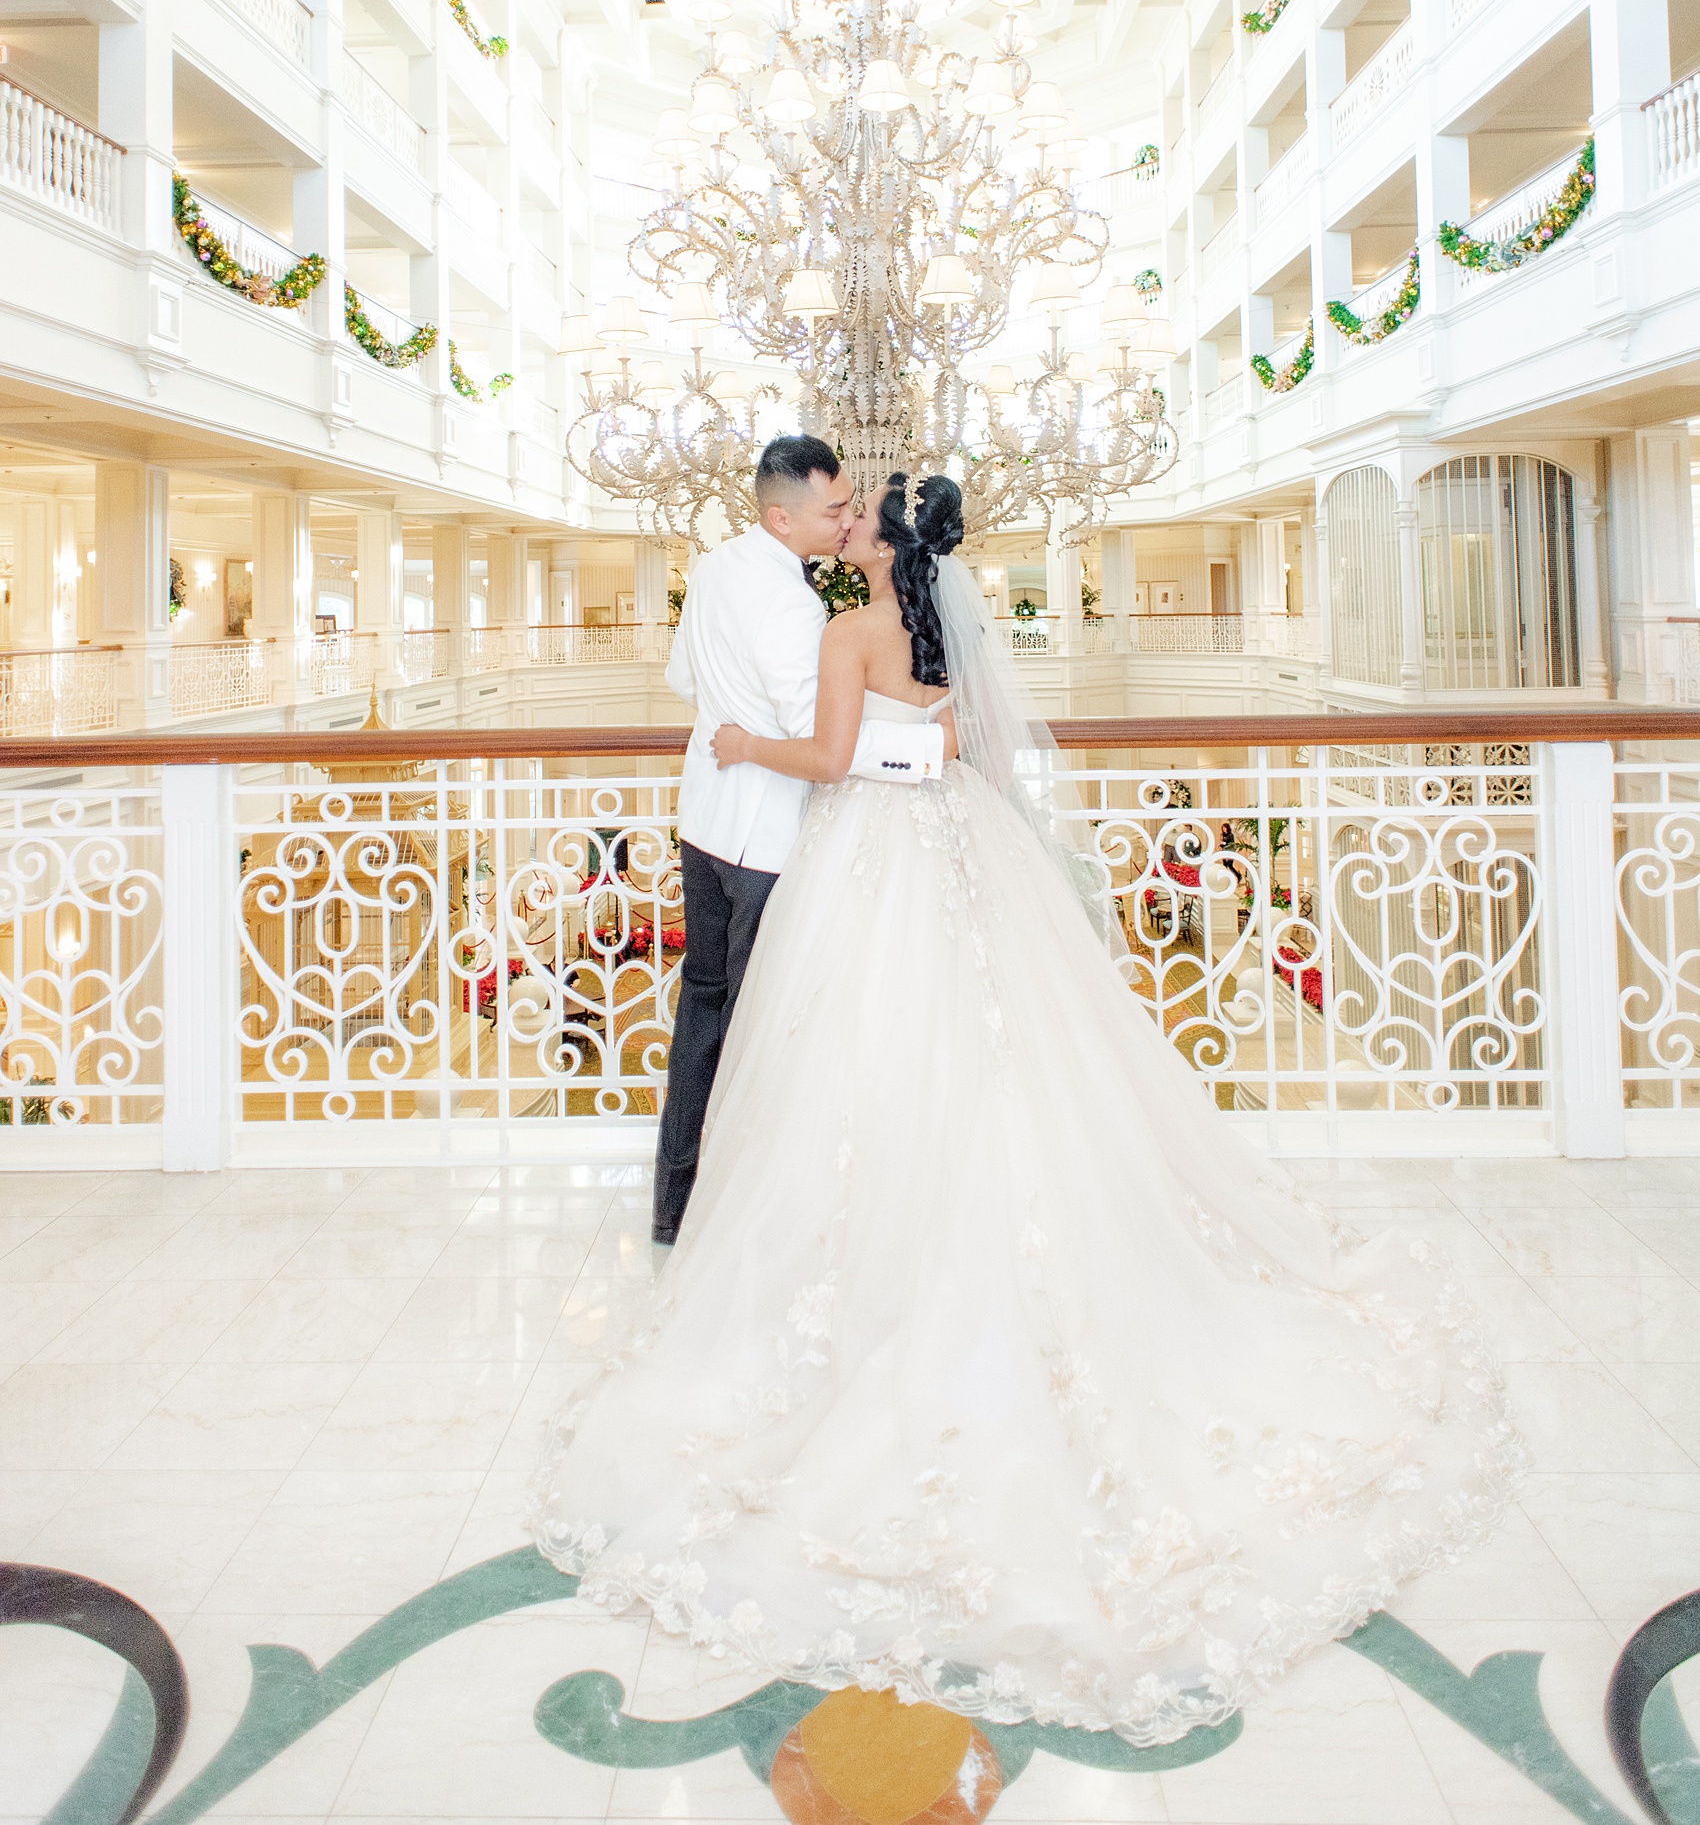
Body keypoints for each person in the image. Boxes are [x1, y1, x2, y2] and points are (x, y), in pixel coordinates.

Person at [530, 472, 1522, 1747]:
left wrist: (738, 748)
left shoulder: (851, 628)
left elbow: (829, 760)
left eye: (860, 523)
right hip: (961, 855)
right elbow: (972, 754)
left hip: (865, 866)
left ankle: (882, 1273)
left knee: (858, 1067)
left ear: (883, 547)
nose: (846, 533)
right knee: (1004, 1065)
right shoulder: (940, 628)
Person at [651, 433, 853, 1244]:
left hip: (704, 820)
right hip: (767, 842)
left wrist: (731, 716)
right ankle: (742, 1220)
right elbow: (818, 736)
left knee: (702, 1008)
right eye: (833, 509)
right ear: (781, 515)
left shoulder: (712, 567)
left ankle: (675, 1207)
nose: (844, 521)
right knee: (761, 1022)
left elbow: (679, 680)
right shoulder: (792, 604)